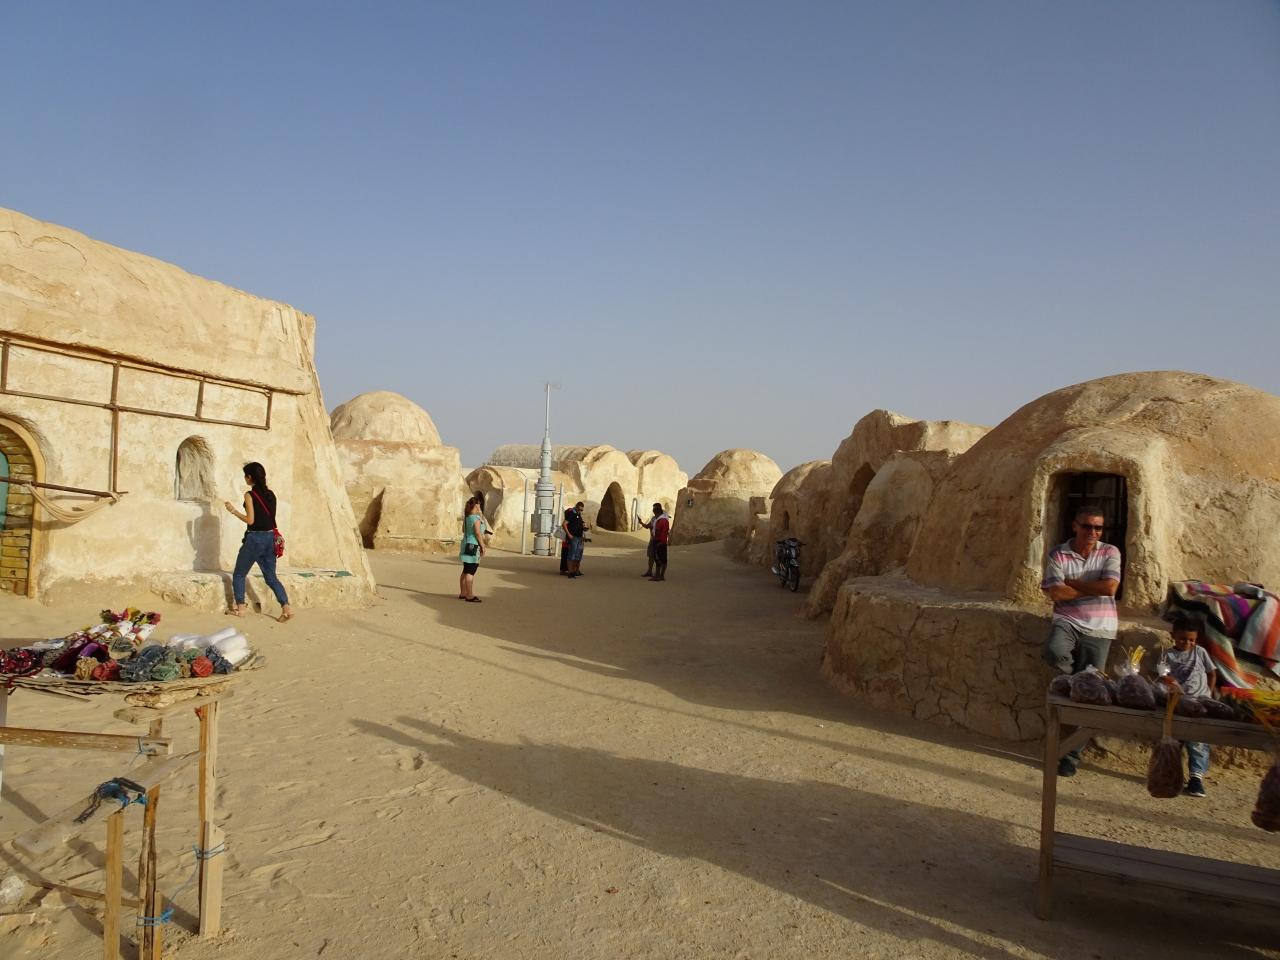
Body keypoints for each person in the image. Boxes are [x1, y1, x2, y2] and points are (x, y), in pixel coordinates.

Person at [1041, 504, 1121, 777]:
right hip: (1068, 620)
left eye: (1098, 527)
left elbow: (1110, 587)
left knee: (1090, 697)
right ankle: (1075, 676)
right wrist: (1093, 588)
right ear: (1075, 526)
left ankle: (1071, 757)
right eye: (1087, 526)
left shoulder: (1110, 552)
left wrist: (1072, 583)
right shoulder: (1058, 553)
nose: (1093, 532)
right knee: (1054, 651)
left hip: (1100, 627)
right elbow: (1056, 593)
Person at [223, 461, 293, 622]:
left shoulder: (250, 495)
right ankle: (286, 608)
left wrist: (233, 511)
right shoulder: (271, 494)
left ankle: (240, 608)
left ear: (250, 477)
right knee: (271, 578)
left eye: (245, 476)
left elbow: (251, 520)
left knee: (239, 574)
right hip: (270, 538)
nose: (245, 478)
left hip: (255, 539)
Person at [1158, 616, 1217, 798]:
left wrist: (1209, 694)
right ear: (1173, 636)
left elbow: (1212, 673)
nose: (1188, 643)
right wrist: (1168, 682)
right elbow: (1161, 677)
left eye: (1192, 640)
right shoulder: (1167, 655)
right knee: (1175, 742)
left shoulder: (1200, 652)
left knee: (1198, 742)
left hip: (1200, 704)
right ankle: (1172, 777)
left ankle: (1196, 779)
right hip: (1177, 705)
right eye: (1183, 639)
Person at [458, 497, 487, 602]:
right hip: (473, 546)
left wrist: (480, 514)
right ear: (476, 505)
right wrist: (482, 546)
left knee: (466, 570)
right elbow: (478, 533)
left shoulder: (467, 517)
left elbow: (463, 530)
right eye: (479, 504)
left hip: (466, 544)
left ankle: (463, 593)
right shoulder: (475, 518)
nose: (480, 506)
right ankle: (469, 595)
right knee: (470, 571)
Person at [639, 502, 670, 581]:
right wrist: (641, 523)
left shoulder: (663, 520)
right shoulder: (655, 519)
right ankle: (655, 574)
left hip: (659, 542)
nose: (653, 511)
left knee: (660, 559)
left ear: (658, 510)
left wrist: (660, 542)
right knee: (654, 557)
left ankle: (659, 575)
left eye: (654, 509)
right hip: (655, 540)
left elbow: (664, 532)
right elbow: (649, 526)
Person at [563, 501, 589, 579]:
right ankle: (570, 572)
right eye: (579, 509)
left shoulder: (578, 514)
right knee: (572, 555)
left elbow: (577, 523)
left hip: (579, 538)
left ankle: (575, 571)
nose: (580, 511)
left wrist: (583, 526)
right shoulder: (571, 513)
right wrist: (569, 535)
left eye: (581, 510)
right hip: (574, 538)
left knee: (578, 556)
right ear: (576, 507)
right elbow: (564, 524)